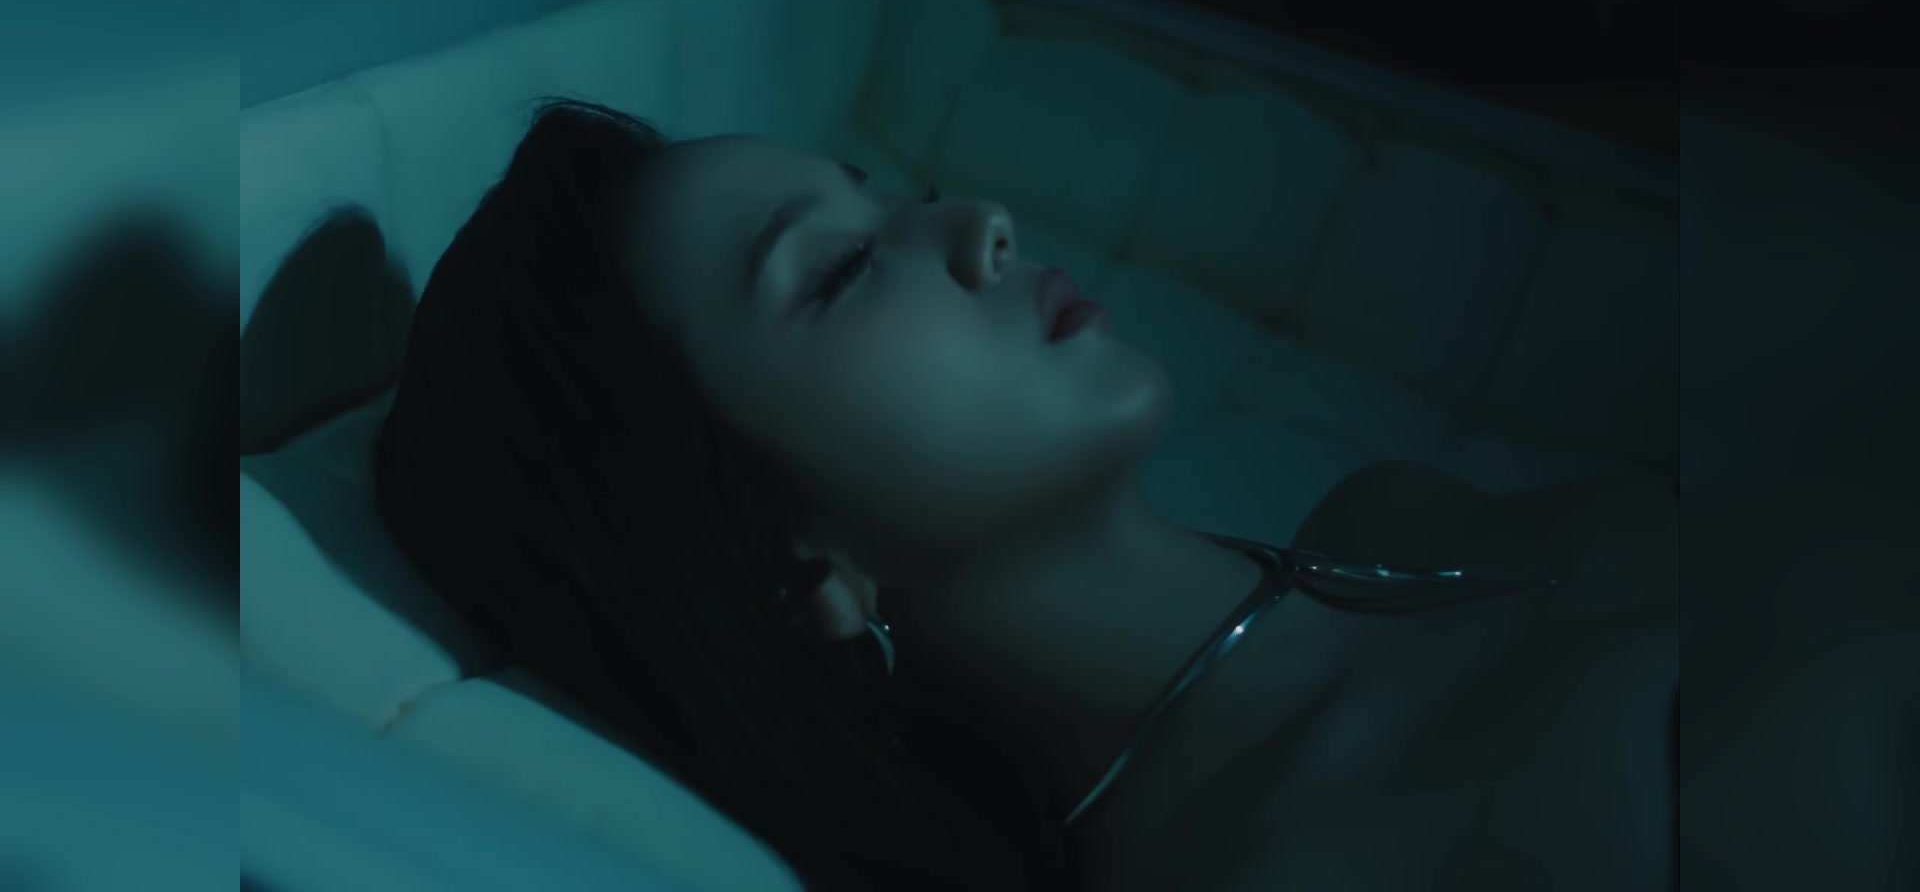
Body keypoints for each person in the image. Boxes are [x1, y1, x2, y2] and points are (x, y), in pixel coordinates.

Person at [375, 98, 1678, 891]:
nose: (979, 221)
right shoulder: (1274, 863)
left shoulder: (1393, 515)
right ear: (790, 565)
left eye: (893, 195)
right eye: (838, 270)